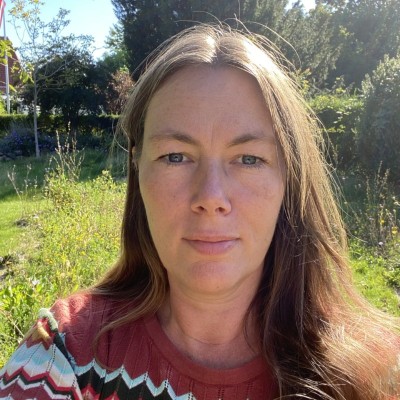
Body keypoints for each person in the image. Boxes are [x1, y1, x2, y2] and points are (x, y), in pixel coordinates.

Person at [0, 24, 399, 400]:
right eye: (176, 156)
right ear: (137, 167)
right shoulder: (64, 353)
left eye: (249, 158)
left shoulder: (377, 373)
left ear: (289, 178)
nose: (210, 196)